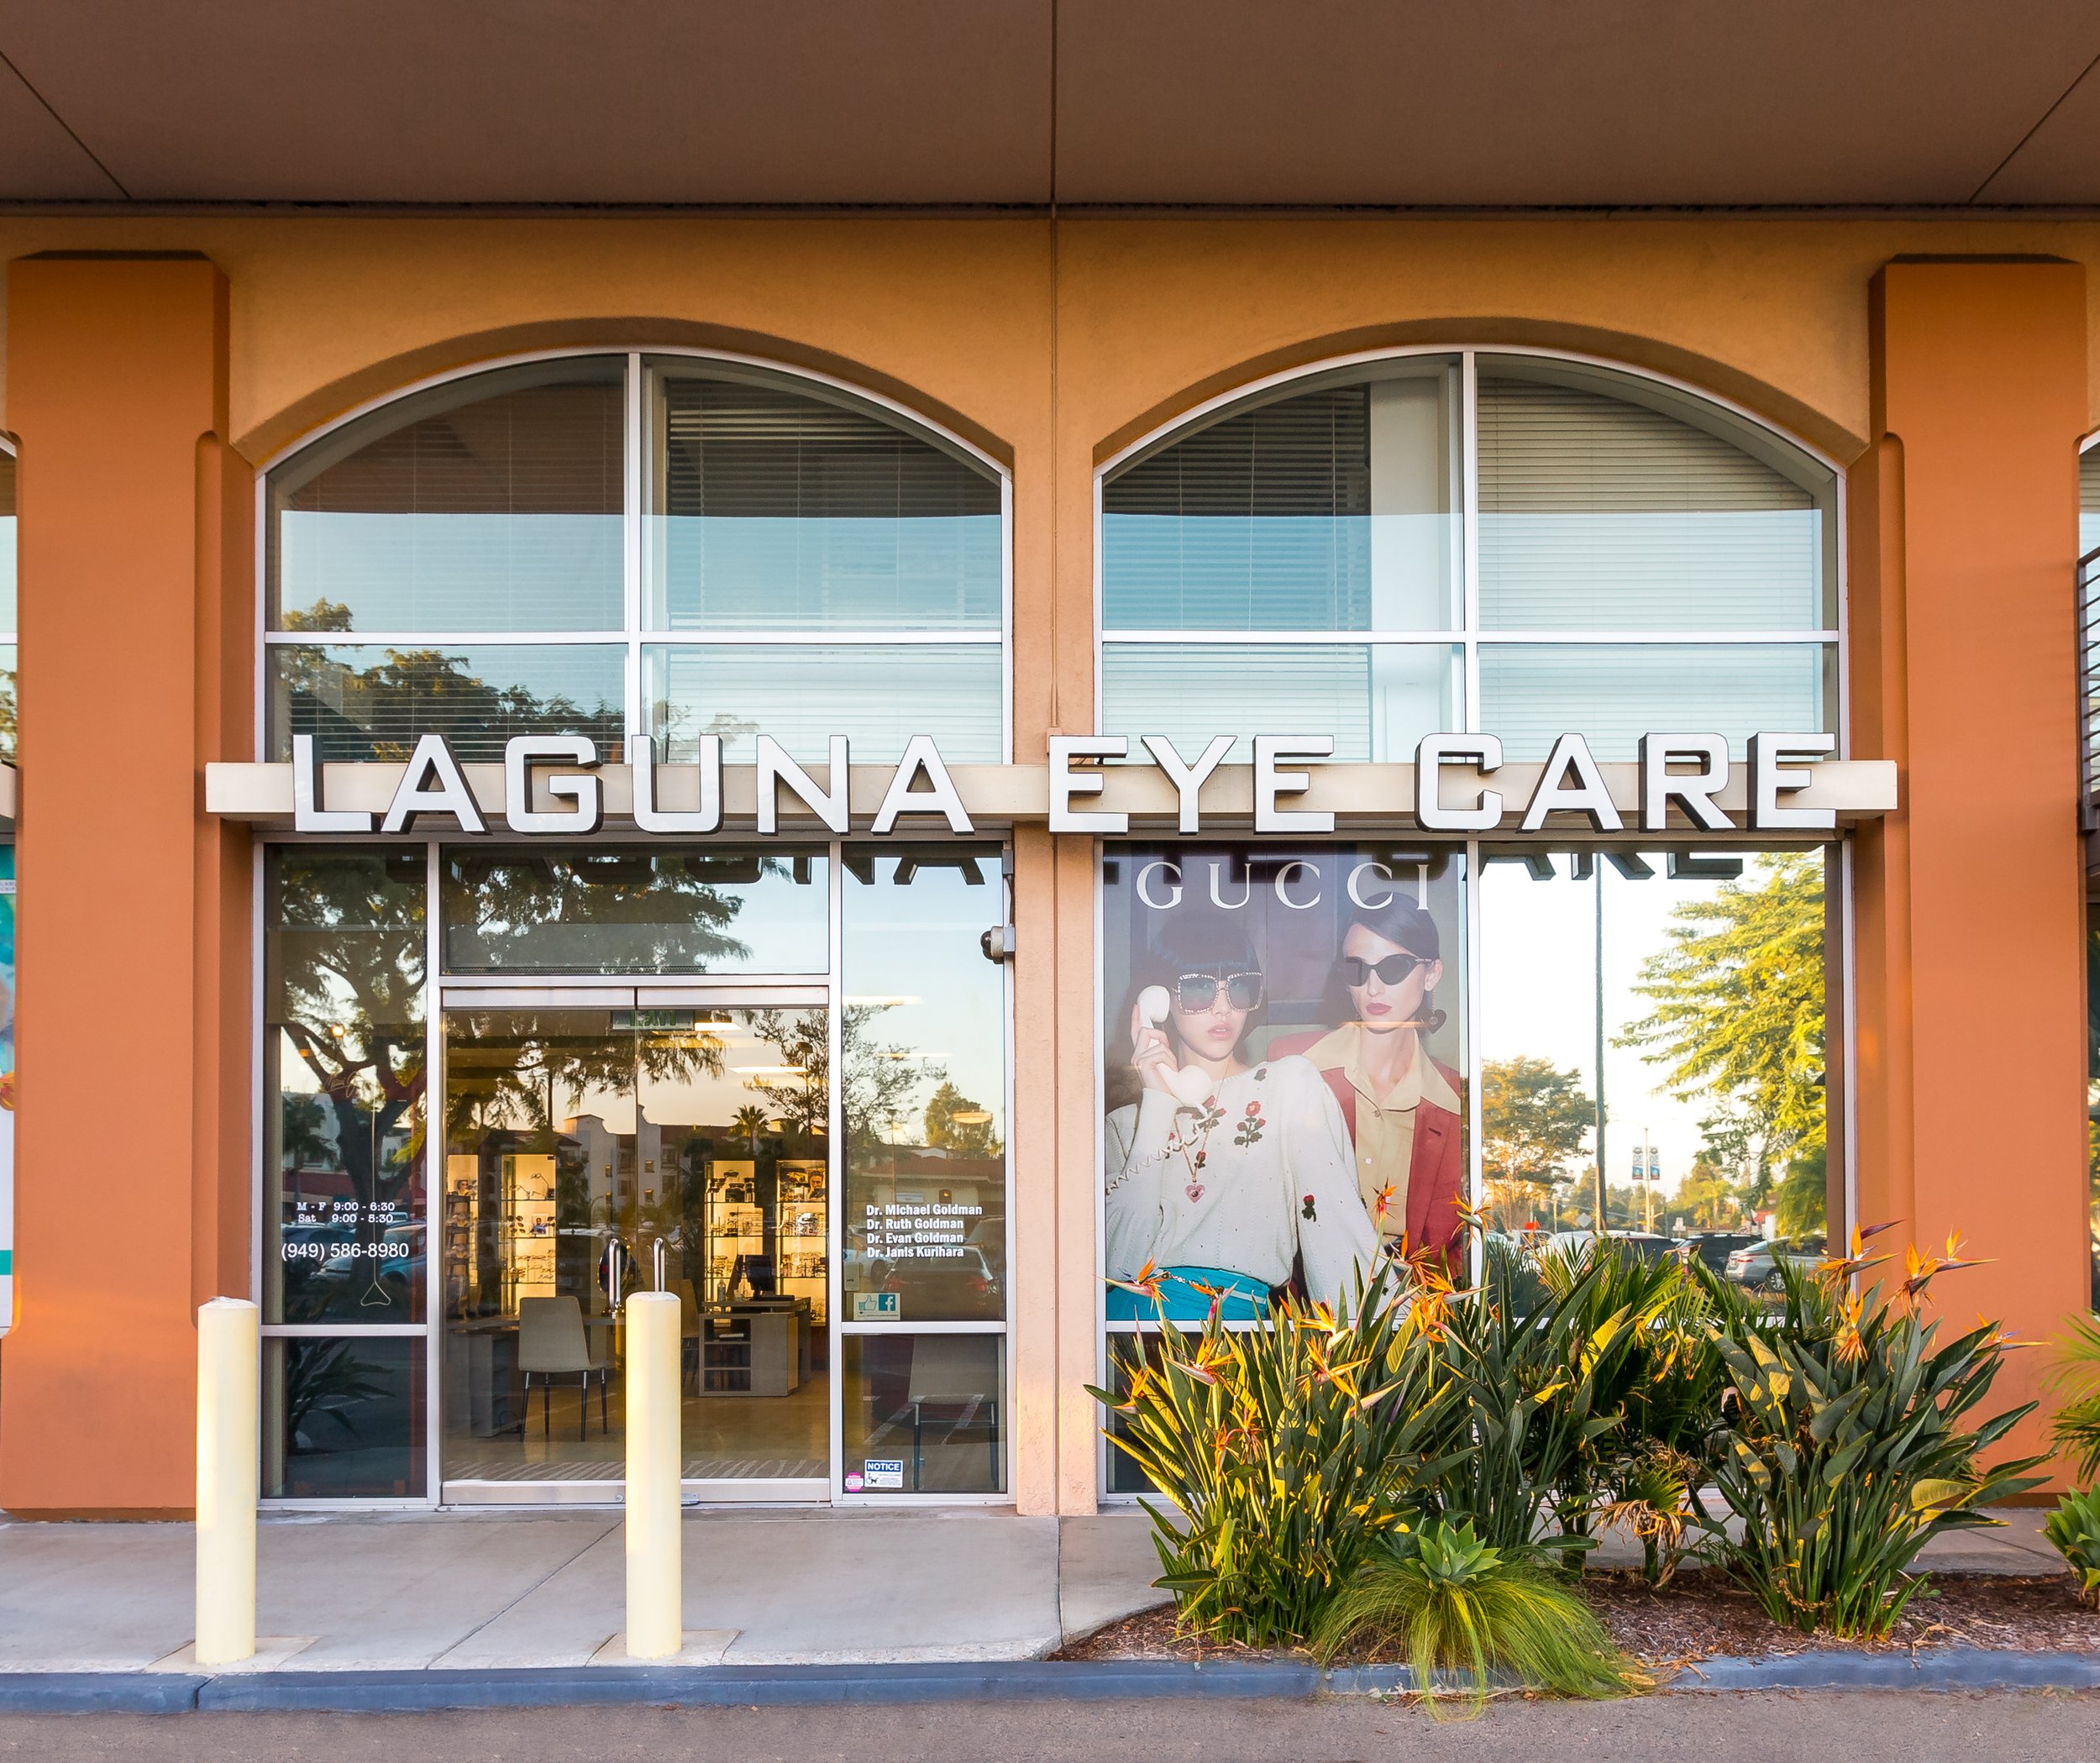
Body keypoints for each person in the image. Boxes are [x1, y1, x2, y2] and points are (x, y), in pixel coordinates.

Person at [1105, 915, 1378, 1321]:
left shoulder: (1287, 1085)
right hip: (1134, 1344)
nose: (1223, 1007)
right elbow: (1118, 1266)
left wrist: (1372, 1341)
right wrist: (1158, 1104)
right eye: (1198, 988)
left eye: (1238, 987)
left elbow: (1336, 1229)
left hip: (1241, 1338)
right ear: (1160, 1001)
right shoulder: (1126, 1126)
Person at [1268, 895, 1466, 1272]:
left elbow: (1455, 1250)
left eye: (1394, 967)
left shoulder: (1455, 1098)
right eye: (1357, 970)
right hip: (1309, 1316)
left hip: (1414, 1316)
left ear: (1432, 973)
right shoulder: (1292, 1066)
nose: (1373, 988)